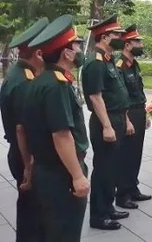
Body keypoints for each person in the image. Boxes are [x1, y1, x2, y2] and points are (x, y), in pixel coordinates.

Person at [22, 14, 90, 241]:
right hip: (61, 174)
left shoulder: (40, 80)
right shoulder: (56, 85)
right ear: (66, 53)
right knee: (65, 233)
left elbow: (23, 128)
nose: (80, 50)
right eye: (77, 46)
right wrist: (78, 176)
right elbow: (62, 135)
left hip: (46, 170)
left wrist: (30, 166)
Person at [0, 17, 49, 242]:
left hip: (24, 153)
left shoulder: (21, 76)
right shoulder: (23, 83)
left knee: (34, 212)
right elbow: (22, 129)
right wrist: (29, 166)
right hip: (25, 154)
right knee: (32, 215)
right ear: (39, 53)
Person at [81, 14, 132, 230]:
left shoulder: (109, 60)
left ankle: (108, 207)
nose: (121, 38)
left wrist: (125, 120)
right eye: (117, 35)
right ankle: (99, 215)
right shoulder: (95, 62)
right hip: (106, 121)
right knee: (103, 169)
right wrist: (107, 126)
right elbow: (95, 96)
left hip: (117, 118)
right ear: (104, 37)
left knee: (112, 167)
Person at [114, 25, 152, 209]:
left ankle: (133, 187)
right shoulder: (119, 66)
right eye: (137, 41)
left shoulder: (133, 64)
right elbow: (121, 96)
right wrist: (127, 119)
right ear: (127, 45)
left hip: (139, 111)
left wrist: (144, 113)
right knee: (126, 154)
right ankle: (122, 194)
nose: (141, 44)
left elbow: (138, 91)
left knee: (136, 152)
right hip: (127, 113)